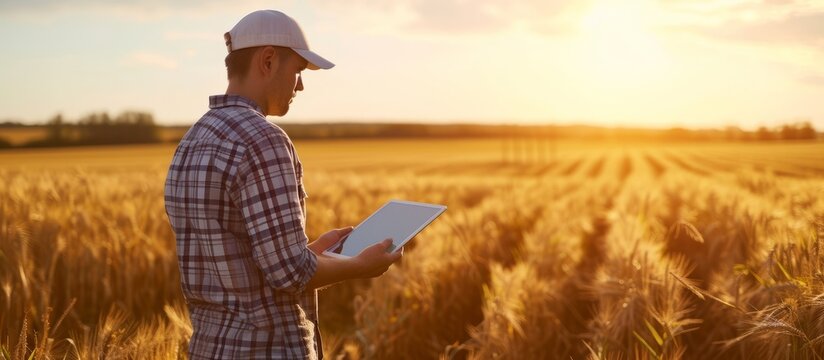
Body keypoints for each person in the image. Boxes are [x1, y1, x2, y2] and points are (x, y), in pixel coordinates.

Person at [164, 10, 402, 359]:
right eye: (298, 71)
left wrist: (315, 251)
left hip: (209, 348)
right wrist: (359, 266)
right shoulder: (263, 139)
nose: (300, 85)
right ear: (269, 60)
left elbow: (250, 260)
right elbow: (291, 273)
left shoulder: (191, 140)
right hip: (265, 348)